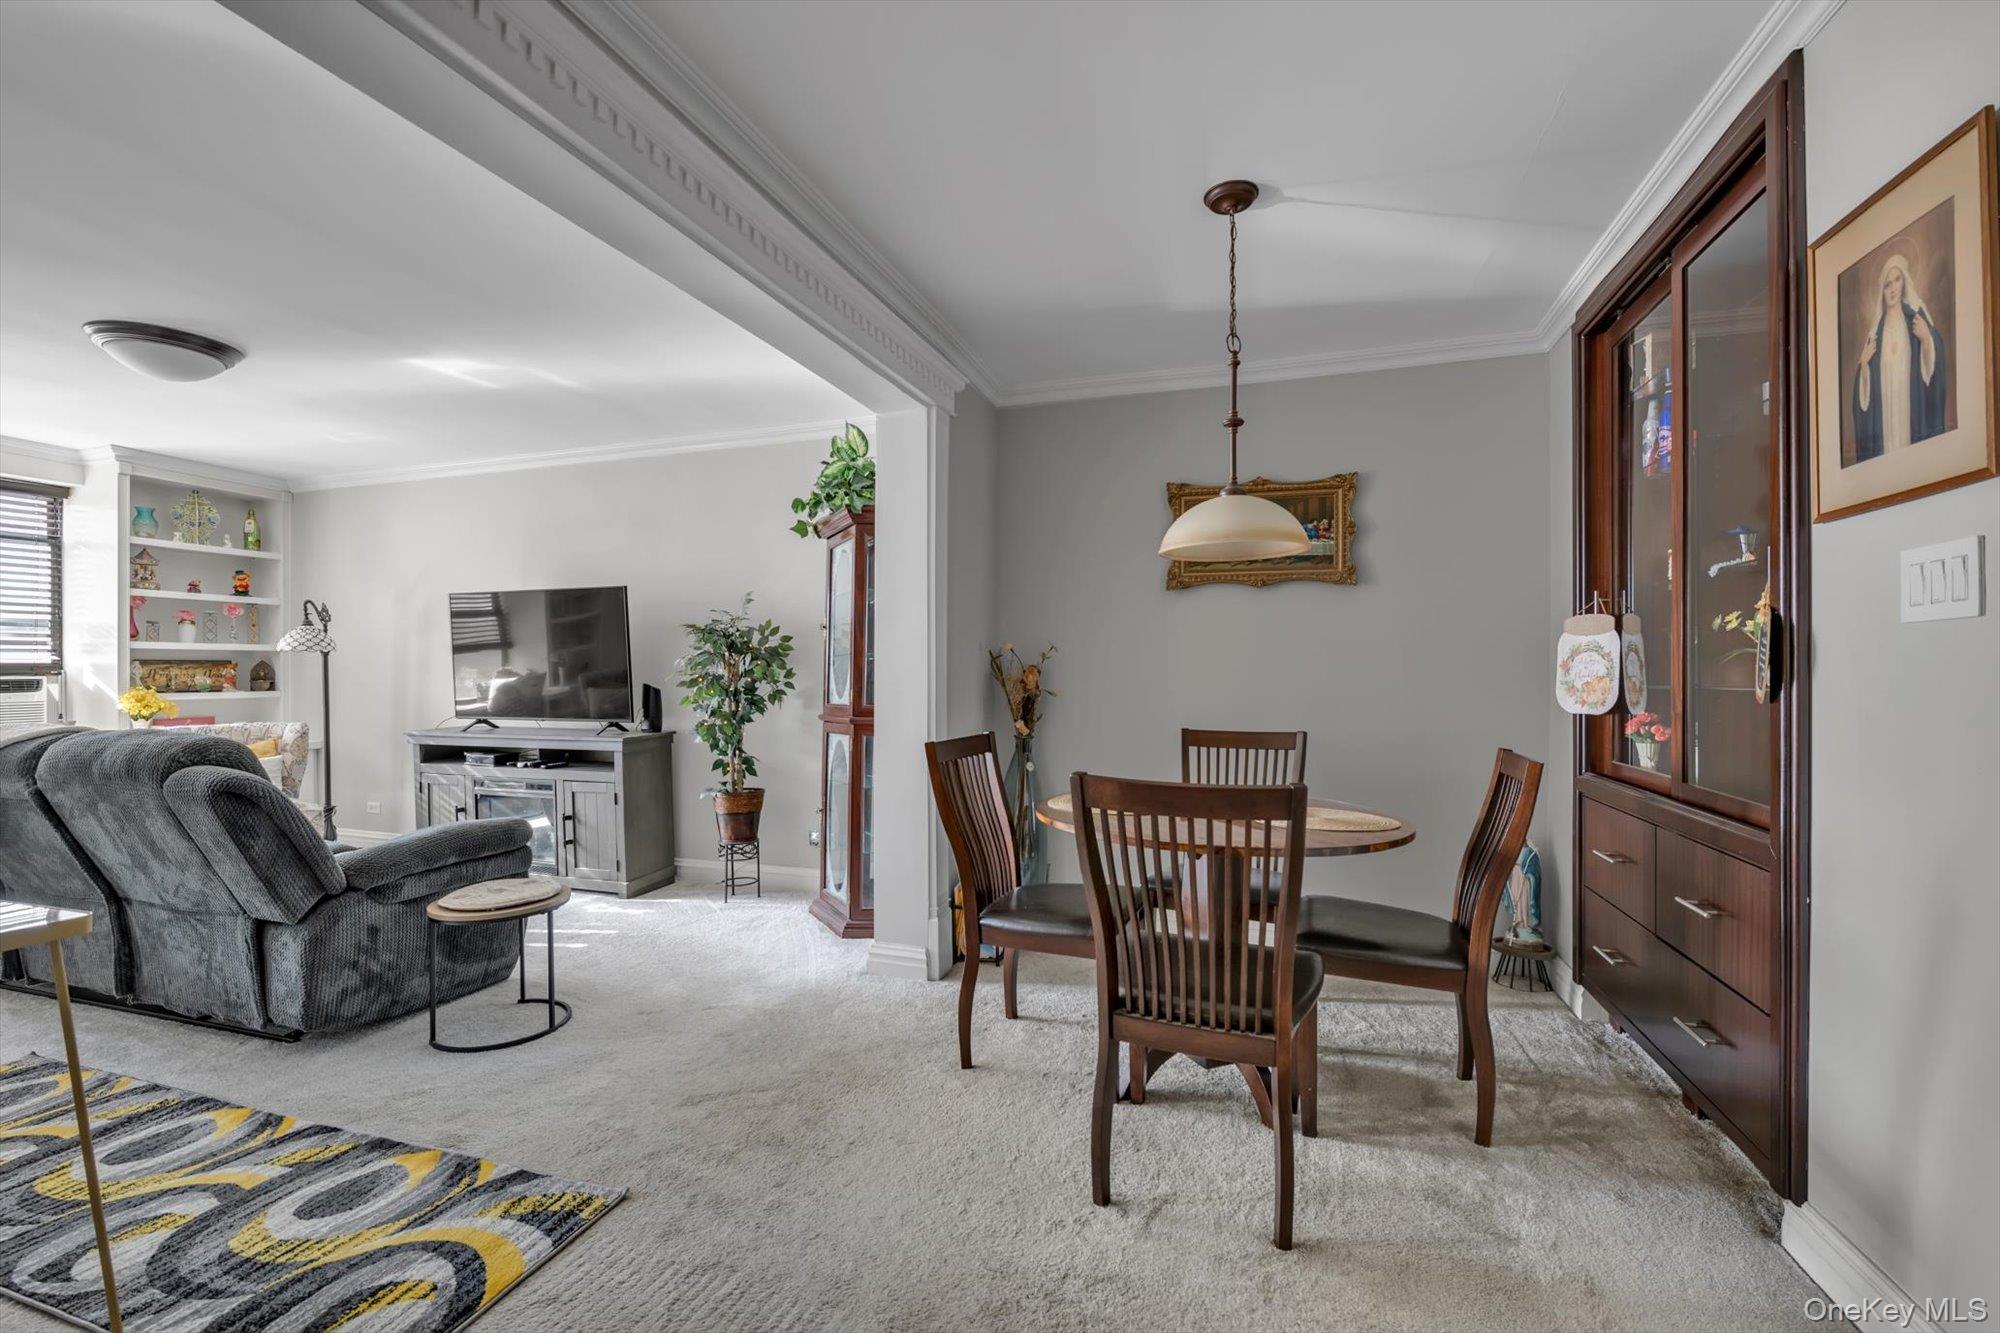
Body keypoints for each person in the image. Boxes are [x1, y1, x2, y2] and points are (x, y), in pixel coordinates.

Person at [1853, 253, 1948, 460]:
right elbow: (1863, 394)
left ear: (1904, 281)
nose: (1893, 288)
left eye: (1897, 280)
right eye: (1887, 284)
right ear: (1882, 291)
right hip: (1886, 414)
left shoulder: (1915, 319)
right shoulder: (1875, 334)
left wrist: (1926, 340)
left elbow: (1935, 356)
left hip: (1910, 408)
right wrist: (1865, 367)